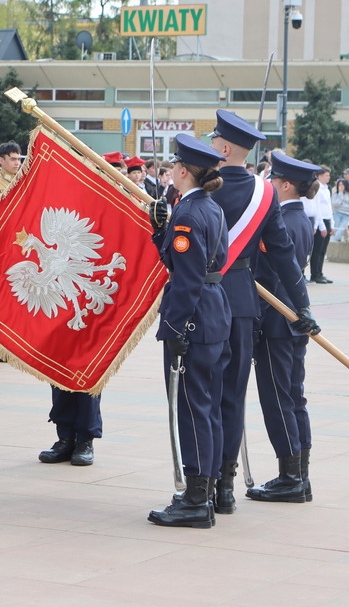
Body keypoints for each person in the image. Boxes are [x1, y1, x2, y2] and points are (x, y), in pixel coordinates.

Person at [207, 110, 317, 515]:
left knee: (212, 399)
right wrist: (303, 303)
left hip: (232, 310)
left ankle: (212, 483)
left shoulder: (209, 188)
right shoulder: (266, 196)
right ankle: (234, 486)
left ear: (222, 146)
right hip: (251, 306)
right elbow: (286, 257)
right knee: (239, 399)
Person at [146, 134, 230, 529]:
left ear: (182, 172)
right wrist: (160, 229)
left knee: (192, 408)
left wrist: (176, 326)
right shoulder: (209, 207)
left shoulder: (190, 213)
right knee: (208, 406)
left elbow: (186, 278)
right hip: (215, 311)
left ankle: (196, 500)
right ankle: (206, 489)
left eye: (174, 168)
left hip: (194, 316)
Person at [248, 151, 322, 505]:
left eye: (273, 180)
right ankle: (300, 475)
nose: (269, 185)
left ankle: (290, 476)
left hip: (278, 320)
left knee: (278, 399)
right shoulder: (300, 218)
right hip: (292, 321)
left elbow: (272, 276)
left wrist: (256, 319)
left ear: (287, 184)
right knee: (294, 397)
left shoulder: (283, 221)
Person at [307, 167, 334, 285]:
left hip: (327, 219)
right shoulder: (316, 187)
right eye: (326, 175)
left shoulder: (327, 189)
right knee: (317, 249)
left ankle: (320, 272)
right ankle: (315, 273)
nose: (328, 177)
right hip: (320, 220)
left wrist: (332, 224)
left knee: (323, 250)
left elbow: (329, 207)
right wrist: (320, 226)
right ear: (320, 176)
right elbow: (317, 207)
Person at [331, 178, 349, 244]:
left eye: (342, 185)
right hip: (337, 214)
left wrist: (342, 206)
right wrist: (340, 194)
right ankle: (336, 242)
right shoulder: (336, 194)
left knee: (341, 229)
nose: (341, 186)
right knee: (336, 230)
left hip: (346, 215)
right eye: (339, 185)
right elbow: (335, 204)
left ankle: (334, 242)